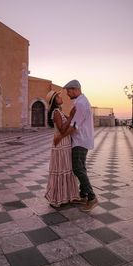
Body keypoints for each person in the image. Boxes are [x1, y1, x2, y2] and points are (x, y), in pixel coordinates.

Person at [54, 80, 98, 212]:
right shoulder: (81, 102)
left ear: (75, 89)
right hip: (82, 140)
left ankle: (92, 197)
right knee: (81, 168)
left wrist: (60, 137)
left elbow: (74, 126)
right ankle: (83, 195)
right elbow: (74, 121)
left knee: (78, 169)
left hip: (80, 141)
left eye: (68, 91)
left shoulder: (80, 103)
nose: (67, 94)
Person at [45, 90, 81, 207]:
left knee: (66, 170)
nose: (61, 98)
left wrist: (72, 116)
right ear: (54, 100)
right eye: (59, 97)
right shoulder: (55, 112)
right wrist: (70, 116)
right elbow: (62, 129)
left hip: (64, 144)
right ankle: (57, 199)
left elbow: (70, 123)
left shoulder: (59, 111)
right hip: (60, 145)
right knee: (61, 171)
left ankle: (66, 197)